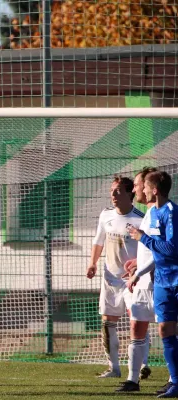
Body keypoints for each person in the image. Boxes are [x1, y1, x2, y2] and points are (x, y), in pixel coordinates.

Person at [86, 176, 144, 378]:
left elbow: (146, 249)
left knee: (136, 322)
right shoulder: (106, 215)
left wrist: (138, 271)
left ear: (130, 194)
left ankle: (140, 367)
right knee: (107, 322)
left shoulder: (141, 219)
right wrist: (93, 262)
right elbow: (98, 240)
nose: (113, 195)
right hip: (110, 279)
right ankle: (114, 368)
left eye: (118, 191)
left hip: (132, 280)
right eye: (112, 191)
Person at [128, 171, 178, 398]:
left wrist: (143, 238)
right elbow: (155, 252)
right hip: (161, 281)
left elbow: (171, 249)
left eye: (146, 187)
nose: (143, 191)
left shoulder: (171, 213)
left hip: (176, 279)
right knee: (164, 329)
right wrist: (139, 271)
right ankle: (175, 382)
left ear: (155, 189)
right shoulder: (153, 212)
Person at [115, 167, 158, 392]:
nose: (135, 189)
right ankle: (133, 380)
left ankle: (174, 380)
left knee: (168, 332)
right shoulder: (149, 214)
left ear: (150, 188)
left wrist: (141, 271)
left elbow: (163, 250)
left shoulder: (161, 213)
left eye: (138, 185)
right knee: (136, 328)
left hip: (158, 283)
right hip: (141, 283)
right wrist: (136, 265)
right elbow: (150, 249)